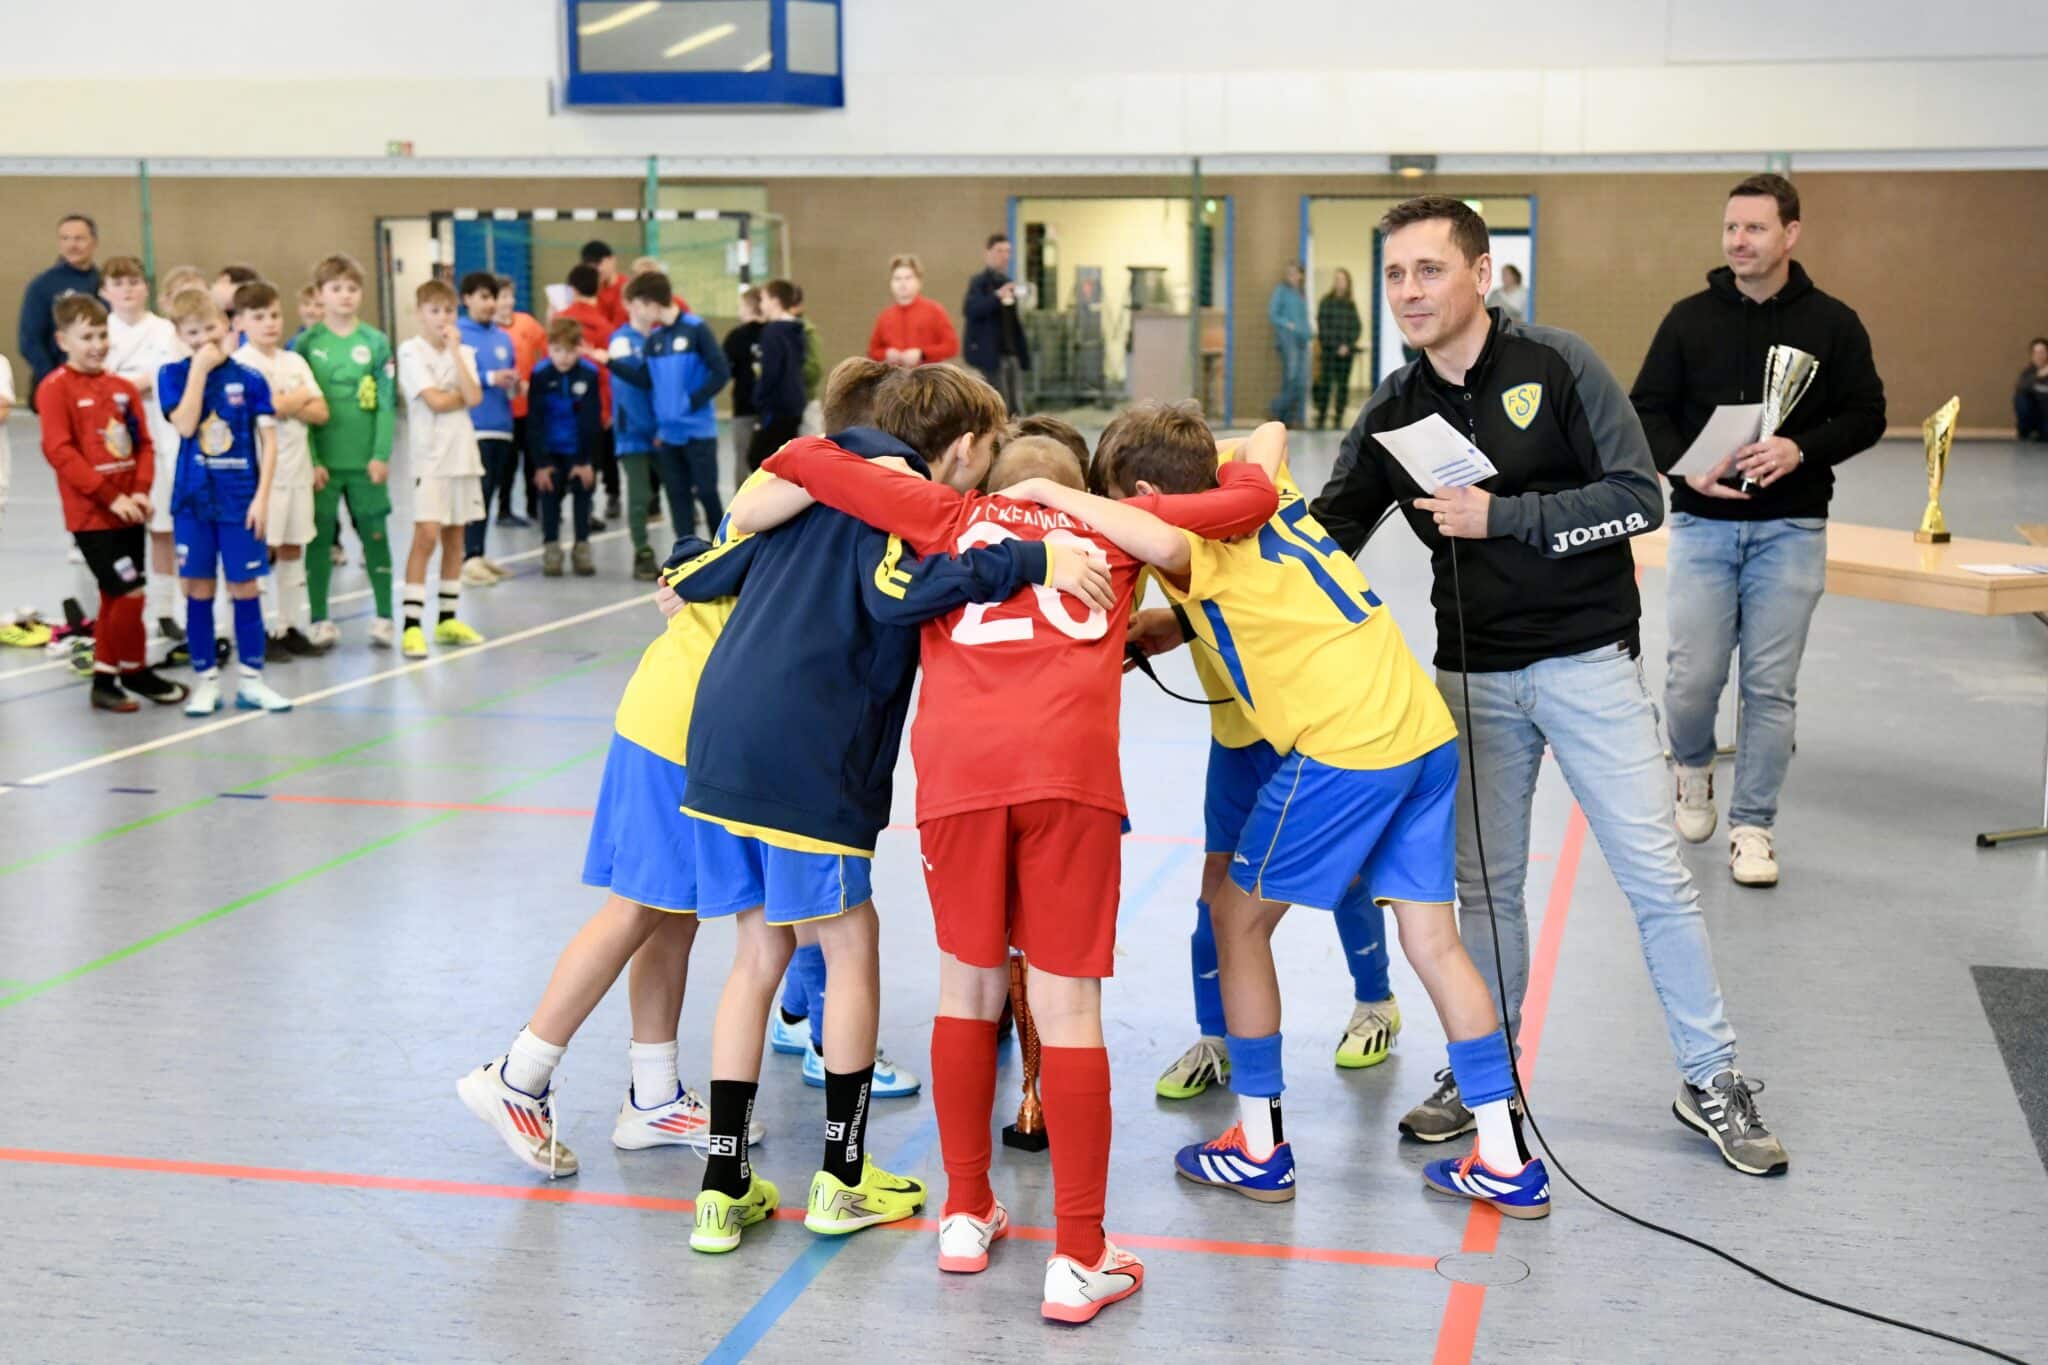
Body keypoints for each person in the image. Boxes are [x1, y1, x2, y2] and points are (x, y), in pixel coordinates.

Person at [754, 422, 1276, 1322]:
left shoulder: (945, 513)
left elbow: (803, 457)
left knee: (967, 990)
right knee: (1069, 1008)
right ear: (1074, 483)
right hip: (1067, 781)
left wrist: (868, 465)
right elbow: (1253, 492)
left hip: (958, 781)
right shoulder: (1113, 525)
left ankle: (964, 1209)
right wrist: (1079, 506)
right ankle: (1078, 1255)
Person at [1314, 194, 1789, 1177]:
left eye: (1429, 270)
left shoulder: (1557, 364)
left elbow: (1633, 497)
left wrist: (1507, 519)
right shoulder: (1392, 409)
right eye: (1395, 273)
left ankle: (1710, 1078)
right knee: (1482, 895)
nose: (1408, 290)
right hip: (1469, 681)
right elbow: (1324, 537)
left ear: (1479, 274)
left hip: (1584, 670)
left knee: (1655, 880)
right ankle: (1481, 1075)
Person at [677, 366, 1107, 1255]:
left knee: (756, 952)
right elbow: (893, 593)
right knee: (850, 942)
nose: (980, 485)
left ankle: (721, 1188)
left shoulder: (808, 483)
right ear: (957, 450)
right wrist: (1032, 557)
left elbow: (703, 569)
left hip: (719, 748)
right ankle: (840, 1177)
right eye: (982, 462)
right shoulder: (901, 500)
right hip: (810, 759)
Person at [457, 515, 771, 1178]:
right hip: (680, 726)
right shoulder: (821, 498)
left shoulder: (787, 487)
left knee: (673, 913)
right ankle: (521, 1074)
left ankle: (653, 1096)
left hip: (682, 717)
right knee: (633, 908)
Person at [1630, 173, 1887, 889]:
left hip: (1791, 526)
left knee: (1771, 688)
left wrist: (1800, 448)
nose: (1739, 241)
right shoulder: (1687, 319)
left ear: (1791, 234)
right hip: (1705, 526)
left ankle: (1754, 827)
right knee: (1692, 680)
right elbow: (1645, 409)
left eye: (1755, 228)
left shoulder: (1833, 323)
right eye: (1731, 229)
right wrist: (1687, 470)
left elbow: (1868, 413)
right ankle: (1691, 769)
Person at [760, 356, 923, 1101]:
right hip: (807, 742)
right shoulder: (853, 508)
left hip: (756, 735)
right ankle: (831, 1042)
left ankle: (797, 1011)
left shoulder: (789, 490)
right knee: (834, 908)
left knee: (797, 898)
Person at [35, 295, 186, 711]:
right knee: (129, 590)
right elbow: (60, 451)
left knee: (115, 595)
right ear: (63, 340)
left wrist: (139, 491)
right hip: (92, 515)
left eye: (103, 335)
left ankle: (122, 671)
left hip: (128, 510)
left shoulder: (120, 388)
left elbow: (144, 444)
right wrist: (110, 496)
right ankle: (118, 674)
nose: (97, 344)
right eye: (87, 337)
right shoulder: (55, 389)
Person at [158, 287, 291, 717]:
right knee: (198, 589)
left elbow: (269, 441)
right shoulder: (172, 375)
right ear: (180, 335)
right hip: (193, 502)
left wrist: (262, 498)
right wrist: (199, 370)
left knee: (245, 587)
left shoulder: (251, 380)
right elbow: (183, 424)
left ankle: (252, 680)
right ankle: (206, 681)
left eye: (211, 328)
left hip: (240, 503)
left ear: (228, 326)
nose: (204, 340)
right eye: (192, 333)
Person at [298, 253, 396, 650]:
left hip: (364, 461)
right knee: (319, 539)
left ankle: (386, 615)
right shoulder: (307, 344)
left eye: (352, 288)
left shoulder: (375, 342)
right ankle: (320, 618)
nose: (345, 296)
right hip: (324, 464)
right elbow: (302, 410)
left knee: (375, 533)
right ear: (320, 294)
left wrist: (381, 453)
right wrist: (313, 460)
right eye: (336, 288)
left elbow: (387, 403)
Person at [231, 281, 329, 659]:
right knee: (261, 552)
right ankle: (259, 631)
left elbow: (321, 412)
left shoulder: (294, 361)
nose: (270, 323)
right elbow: (259, 410)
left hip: (297, 470)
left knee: (292, 549)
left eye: (274, 315)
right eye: (259, 317)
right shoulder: (241, 365)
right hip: (261, 476)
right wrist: (296, 398)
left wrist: (284, 402)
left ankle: (287, 626)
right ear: (240, 322)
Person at [395, 280, 488, 658]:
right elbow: (433, 400)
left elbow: (476, 397)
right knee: (426, 535)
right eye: (434, 311)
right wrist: (458, 398)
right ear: (420, 313)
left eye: (448, 311)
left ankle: (447, 619)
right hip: (429, 458)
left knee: (456, 537)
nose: (442, 318)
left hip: (462, 455)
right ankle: (412, 625)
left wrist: (455, 353)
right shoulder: (410, 351)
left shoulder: (464, 351)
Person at [100, 256, 187, 646]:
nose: (128, 289)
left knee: (163, 528)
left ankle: (166, 610)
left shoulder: (166, 330)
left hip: (162, 435)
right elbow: (95, 381)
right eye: (118, 283)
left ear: (146, 287)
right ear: (105, 291)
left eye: (134, 281)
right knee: (117, 530)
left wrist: (128, 384)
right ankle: (118, 609)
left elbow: (168, 376)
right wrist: (134, 385)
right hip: (112, 441)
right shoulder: (100, 332)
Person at [607, 271, 727, 541]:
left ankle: (724, 553)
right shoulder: (655, 339)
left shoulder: (696, 329)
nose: (635, 312)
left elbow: (720, 372)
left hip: (698, 431)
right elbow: (645, 380)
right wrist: (610, 363)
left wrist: (691, 402)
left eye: (637, 305)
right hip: (668, 436)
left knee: (707, 492)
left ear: (651, 303)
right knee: (677, 497)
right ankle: (685, 560)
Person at [452, 273, 518, 586]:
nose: (490, 303)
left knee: (489, 492)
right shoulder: (458, 335)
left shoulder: (503, 337)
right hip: (473, 426)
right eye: (482, 296)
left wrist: (515, 385)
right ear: (466, 299)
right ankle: (467, 558)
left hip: (501, 425)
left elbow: (510, 378)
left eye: (493, 297)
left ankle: (478, 552)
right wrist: (491, 378)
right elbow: (458, 376)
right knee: (475, 494)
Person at [527, 318, 603, 578]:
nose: (564, 357)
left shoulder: (589, 374)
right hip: (550, 452)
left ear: (579, 349)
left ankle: (582, 546)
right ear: (549, 348)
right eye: (557, 350)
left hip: (578, 452)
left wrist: (586, 461)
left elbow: (592, 420)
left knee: (583, 497)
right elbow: (534, 421)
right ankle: (551, 547)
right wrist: (541, 463)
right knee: (549, 498)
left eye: (570, 351)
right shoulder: (540, 375)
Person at [605, 275, 665, 580]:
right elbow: (629, 393)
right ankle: (642, 553)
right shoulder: (621, 342)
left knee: (678, 491)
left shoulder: (657, 339)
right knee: (640, 495)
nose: (652, 309)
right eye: (645, 303)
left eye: (655, 303)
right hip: (636, 433)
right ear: (630, 304)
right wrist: (649, 430)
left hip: (663, 430)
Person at [557, 264, 620, 525]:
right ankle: (602, 501)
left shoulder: (560, 321)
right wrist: (607, 409)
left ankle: (558, 505)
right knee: (598, 456)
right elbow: (608, 371)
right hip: (595, 403)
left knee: (562, 452)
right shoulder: (604, 326)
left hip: (562, 402)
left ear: (572, 289)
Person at [18, 213, 102, 395]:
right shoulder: (42, 285)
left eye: (79, 238)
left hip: (99, 384)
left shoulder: (105, 284)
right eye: (65, 238)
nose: (72, 245)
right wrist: (56, 379)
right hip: (58, 383)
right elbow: (29, 342)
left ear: (94, 242)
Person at [963, 232, 1031, 414]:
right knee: (999, 404)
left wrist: (1022, 353)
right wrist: (996, 297)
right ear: (988, 253)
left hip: (1011, 353)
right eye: (999, 251)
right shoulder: (979, 283)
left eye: (1008, 251)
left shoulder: (1008, 282)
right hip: (991, 355)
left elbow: (1013, 322)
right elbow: (971, 310)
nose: (1005, 256)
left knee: (1016, 404)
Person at [746, 279, 806, 472]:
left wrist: (759, 399)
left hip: (777, 407)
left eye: (763, 299)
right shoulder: (797, 330)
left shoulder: (772, 332)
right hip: (794, 405)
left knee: (758, 458)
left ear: (775, 301)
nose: (761, 304)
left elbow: (770, 372)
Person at [867, 254, 958, 368]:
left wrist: (922, 354)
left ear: (919, 282)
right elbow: (872, 351)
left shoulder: (934, 311)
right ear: (891, 283)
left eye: (908, 278)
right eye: (897, 278)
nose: (902, 283)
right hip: (894, 379)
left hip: (928, 379)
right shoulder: (885, 316)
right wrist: (886, 354)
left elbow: (951, 347)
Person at [723, 288, 763, 497]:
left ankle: (740, 507)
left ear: (748, 308)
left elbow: (725, 370)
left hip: (745, 406)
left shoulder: (737, 337)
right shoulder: (773, 332)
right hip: (770, 410)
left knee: (743, 459)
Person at [1312, 267, 1362, 430]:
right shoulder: (1326, 302)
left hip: (1346, 354)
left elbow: (1356, 327)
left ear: (1348, 283)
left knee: (1342, 386)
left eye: (1343, 280)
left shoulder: (1350, 305)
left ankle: (1339, 416)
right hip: (1328, 352)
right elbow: (1323, 327)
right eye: (1337, 279)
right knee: (1325, 384)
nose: (1340, 283)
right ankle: (1321, 416)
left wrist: (1347, 345)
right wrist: (1335, 346)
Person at [1266, 262, 1309, 425]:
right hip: (1288, 341)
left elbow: (1303, 318)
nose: (1291, 276)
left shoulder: (1301, 292)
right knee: (1291, 379)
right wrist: (1287, 324)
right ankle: (1275, 411)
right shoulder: (1281, 291)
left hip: (1302, 340)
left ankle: (1288, 418)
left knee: (1301, 382)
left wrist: (1308, 332)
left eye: (1294, 272)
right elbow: (1273, 314)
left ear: (1300, 275)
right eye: (1288, 272)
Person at [584, 238, 627, 329]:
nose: (597, 270)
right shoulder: (590, 291)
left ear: (612, 260)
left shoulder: (627, 288)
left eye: (598, 264)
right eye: (591, 267)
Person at [2015, 337, 2048, 442]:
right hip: (2036, 416)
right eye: (2036, 353)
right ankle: (2026, 432)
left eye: (2042, 352)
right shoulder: (2028, 372)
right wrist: (2039, 376)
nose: (2039, 356)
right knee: (2020, 397)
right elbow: (2021, 387)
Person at [287, 284, 323, 353]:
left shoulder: (333, 339)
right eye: (306, 304)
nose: (310, 310)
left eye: (318, 305)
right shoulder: (293, 343)